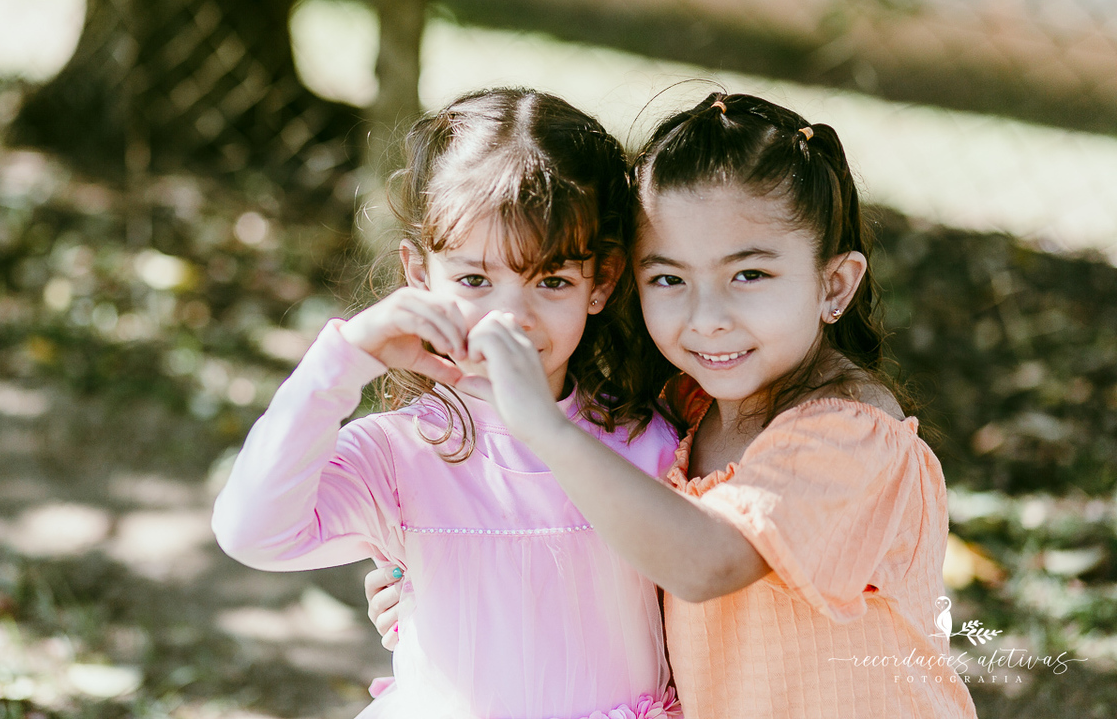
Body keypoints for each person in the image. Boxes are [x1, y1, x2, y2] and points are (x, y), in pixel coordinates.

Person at [375, 92, 977, 717]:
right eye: (669, 279)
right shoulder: (688, 408)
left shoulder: (849, 438)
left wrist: (544, 429)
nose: (707, 319)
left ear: (834, 285)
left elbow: (704, 562)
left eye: (748, 275)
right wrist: (447, 585)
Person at [210, 88, 682, 719]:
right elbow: (254, 533)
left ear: (601, 283)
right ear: (417, 275)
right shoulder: (399, 455)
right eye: (475, 280)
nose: (511, 317)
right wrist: (343, 359)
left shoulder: (651, 445)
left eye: (552, 281)